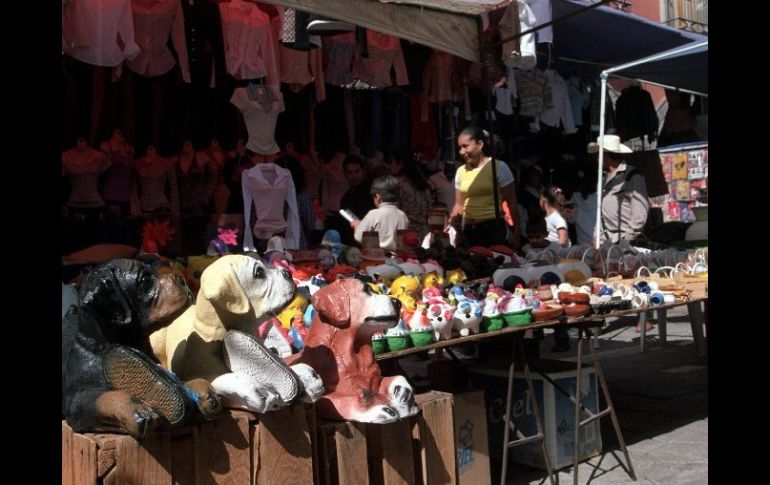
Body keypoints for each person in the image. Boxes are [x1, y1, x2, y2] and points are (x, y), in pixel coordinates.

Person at [449, 126, 519, 248]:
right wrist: (451, 224)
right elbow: (459, 204)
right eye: (459, 148)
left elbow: (511, 202)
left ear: (480, 144)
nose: (461, 152)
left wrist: (517, 231)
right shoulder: (460, 171)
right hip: (468, 230)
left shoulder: (499, 167)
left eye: (465, 146)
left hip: (493, 229)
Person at [588, 135, 649, 245]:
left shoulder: (633, 177)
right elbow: (601, 212)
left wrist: (626, 241)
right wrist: (596, 236)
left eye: (598, 154)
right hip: (605, 242)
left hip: (626, 241)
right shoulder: (602, 178)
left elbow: (639, 216)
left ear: (606, 154)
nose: (596, 158)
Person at [351, 175, 410, 252]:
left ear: (377, 197)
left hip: (376, 259)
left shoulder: (373, 214)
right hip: (396, 258)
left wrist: (357, 226)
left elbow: (359, 237)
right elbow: (401, 242)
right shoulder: (402, 216)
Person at [388, 148, 431, 236]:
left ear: (400, 164)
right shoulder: (423, 185)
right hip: (424, 232)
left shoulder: (396, 184)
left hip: (405, 234)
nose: (389, 166)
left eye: (391, 163)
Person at [570, 162, 599, 247]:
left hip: (582, 243)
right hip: (597, 242)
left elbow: (571, 220)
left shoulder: (575, 197)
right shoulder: (600, 198)